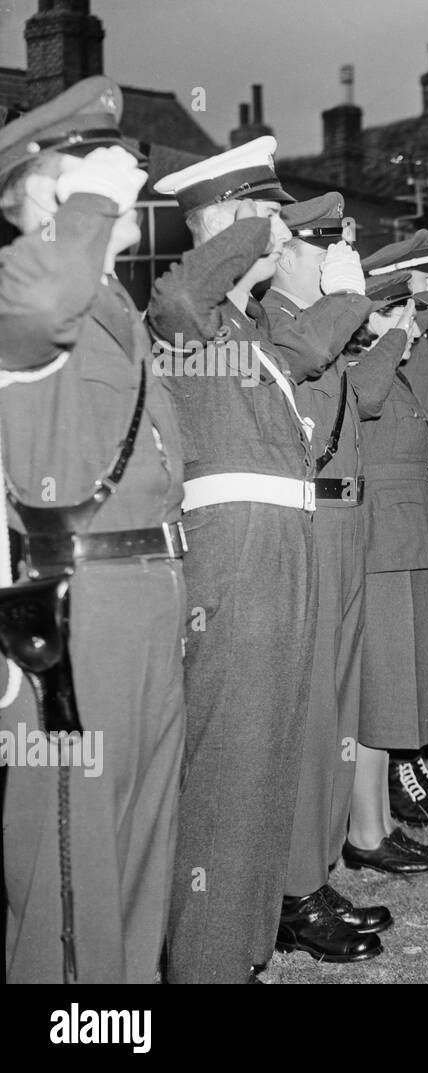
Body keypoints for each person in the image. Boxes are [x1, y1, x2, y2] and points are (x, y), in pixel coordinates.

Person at [0, 77, 187, 983]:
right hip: (73, 611)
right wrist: (89, 202)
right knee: (75, 852)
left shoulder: (112, 304)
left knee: (145, 831)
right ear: (44, 189)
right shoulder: (22, 289)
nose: (128, 185)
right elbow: (40, 308)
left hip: (144, 596)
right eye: (97, 168)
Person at [149, 136, 317, 984]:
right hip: (236, 569)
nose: (280, 234)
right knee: (229, 767)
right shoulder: (190, 321)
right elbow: (181, 287)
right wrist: (246, 234)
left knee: (270, 760)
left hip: (279, 562)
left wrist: (259, 233)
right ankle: (209, 964)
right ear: (225, 220)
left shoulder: (246, 334)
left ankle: (244, 952)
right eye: (267, 213)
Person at [262, 191, 389, 961]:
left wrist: (359, 312)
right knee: (310, 714)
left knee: (338, 710)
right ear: (291, 253)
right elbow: (303, 361)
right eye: (325, 248)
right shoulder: (278, 322)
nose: (337, 259)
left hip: (345, 521)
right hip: (308, 524)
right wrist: (347, 298)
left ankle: (319, 867)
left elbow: (361, 397)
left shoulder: (325, 324)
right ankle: (291, 887)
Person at [342, 276, 428, 875]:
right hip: (381, 545)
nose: (416, 324)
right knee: (378, 693)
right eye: (404, 313)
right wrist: (391, 331)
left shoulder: (394, 360)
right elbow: (361, 398)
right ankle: (364, 833)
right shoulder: (363, 365)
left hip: (403, 542)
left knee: (393, 694)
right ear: (375, 319)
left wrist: (410, 314)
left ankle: (380, 822)